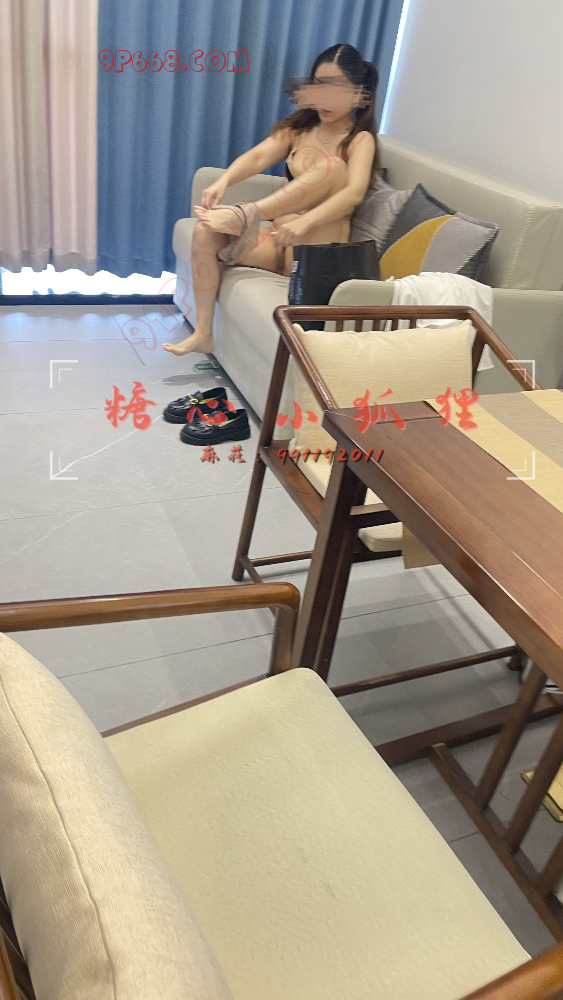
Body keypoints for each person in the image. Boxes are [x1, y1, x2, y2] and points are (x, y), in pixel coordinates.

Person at [163, 43, 380, 357]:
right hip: (280, 247)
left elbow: (353, 194)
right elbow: (257, 157)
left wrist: (306, 221)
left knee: (332, 167)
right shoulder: (299, 129)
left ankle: (246, 214)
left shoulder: (359, 140)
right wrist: (224, 180)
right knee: (204, 232)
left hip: (315, 258)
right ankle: (203, 334)